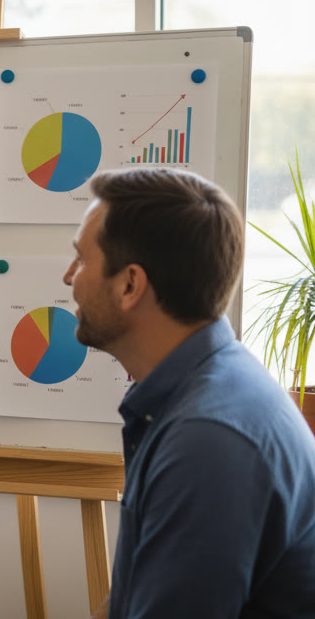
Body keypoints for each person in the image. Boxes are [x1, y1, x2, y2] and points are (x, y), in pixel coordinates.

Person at [65, 168, 315, 619]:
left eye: (81, 260)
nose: (68, 277)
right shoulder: (205, 388)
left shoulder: (209, 441)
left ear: (129, 286)